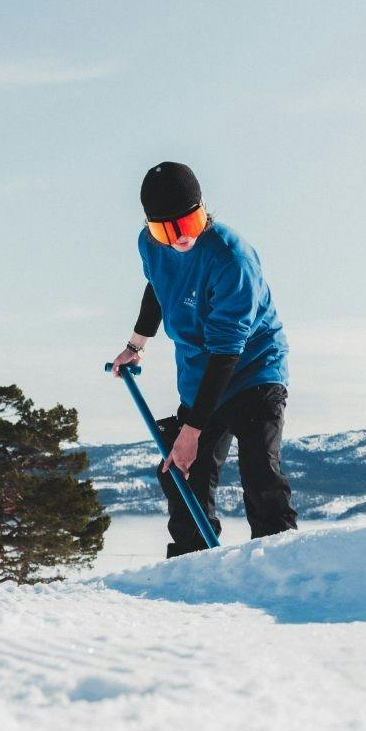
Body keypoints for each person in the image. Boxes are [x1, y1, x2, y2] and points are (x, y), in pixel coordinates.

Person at [111, 161, 295, 555]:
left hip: (252, 368)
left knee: (260, 472)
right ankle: (192, 568)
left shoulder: (232, 258)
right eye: (166, 230)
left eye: (188, 225)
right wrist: (135, 345)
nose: (179, 239)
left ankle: (278, 560)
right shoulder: (150, 245)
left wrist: (191, 432)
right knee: (181, 474)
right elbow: (157, 287)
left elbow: (227, 352)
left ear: (203, 210)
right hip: (200, 374)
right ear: (151, 227)